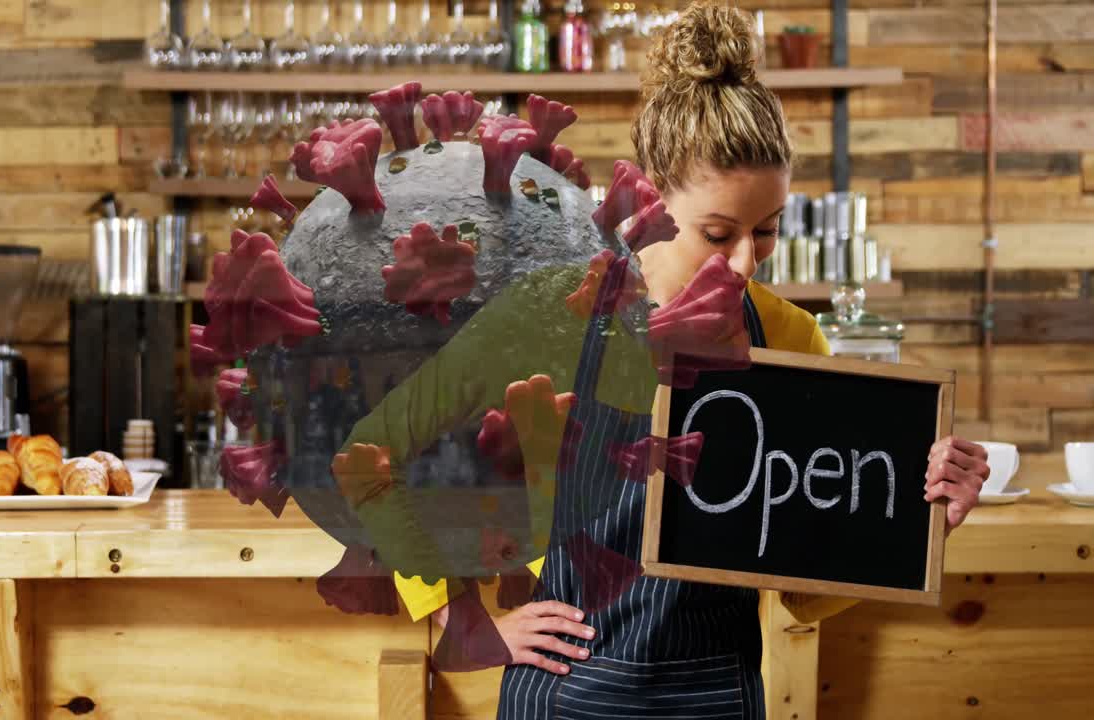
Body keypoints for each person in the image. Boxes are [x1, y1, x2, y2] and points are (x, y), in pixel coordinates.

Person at [342, 3, 988, 718]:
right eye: (719, 233)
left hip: (714, 697)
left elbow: (801, 587)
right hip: (564, 695)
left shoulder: (789, 339)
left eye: (767, 232)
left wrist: (918, 520)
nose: (746, 261)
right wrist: (461, 619)